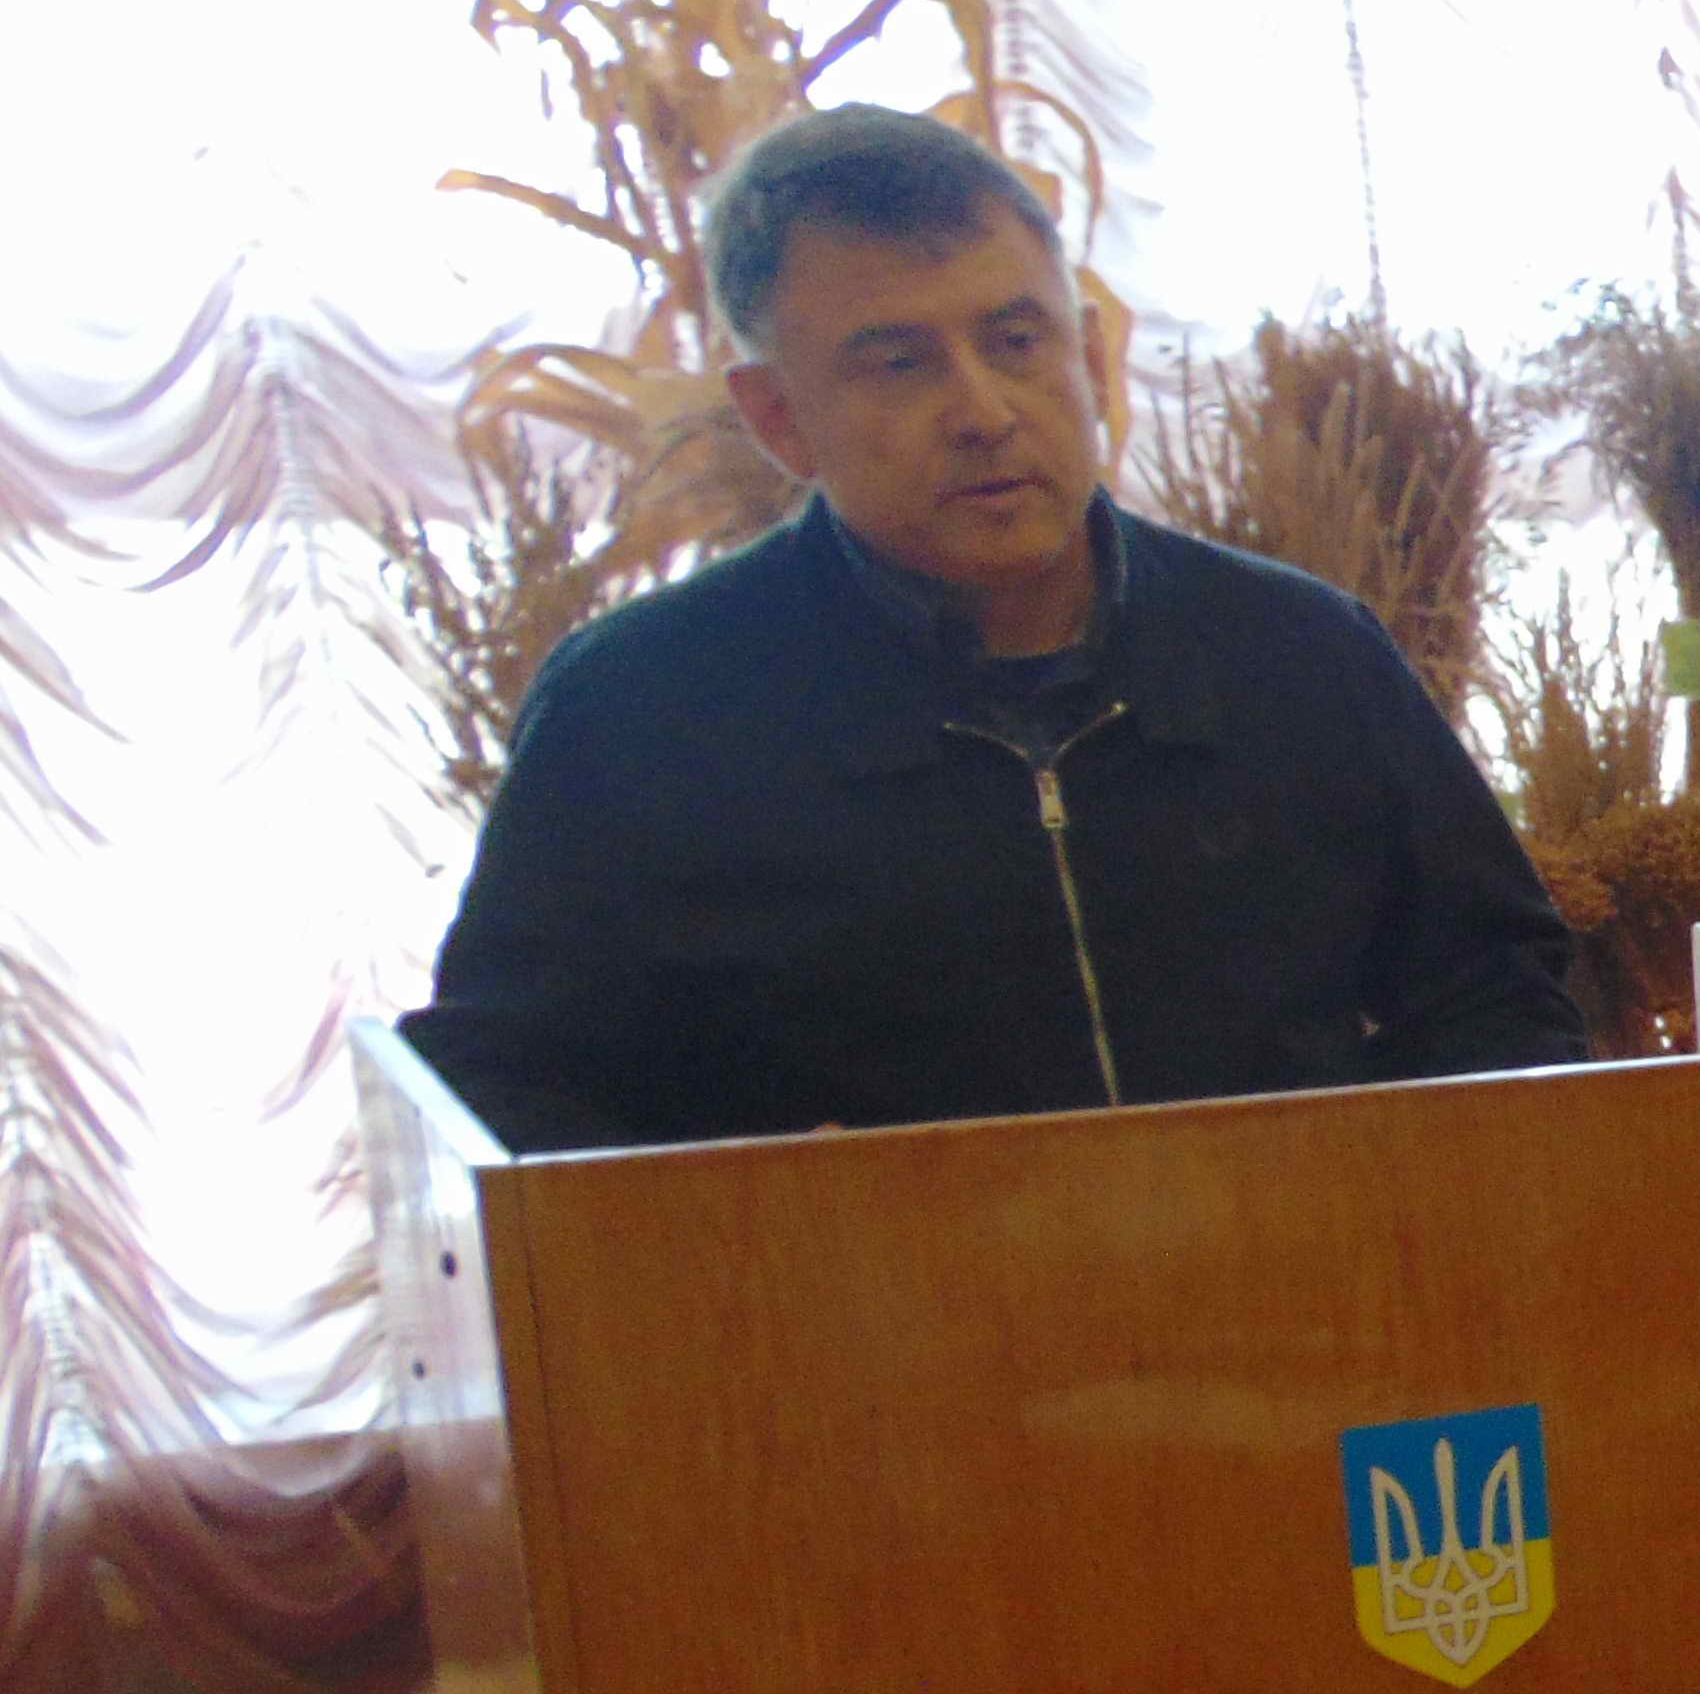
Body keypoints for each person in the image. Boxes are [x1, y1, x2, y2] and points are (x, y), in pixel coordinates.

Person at [403, 106, 1581, 1150]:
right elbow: (505, 1087)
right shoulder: (640, 712)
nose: (981, 411)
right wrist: (751, 1215)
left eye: (1017, 343)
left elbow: (1498, 992)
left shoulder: (1300, 653)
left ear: (1093, 356)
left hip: (1311, 1300)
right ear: (777, 418)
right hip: (855, 1323)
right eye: (898, 363)